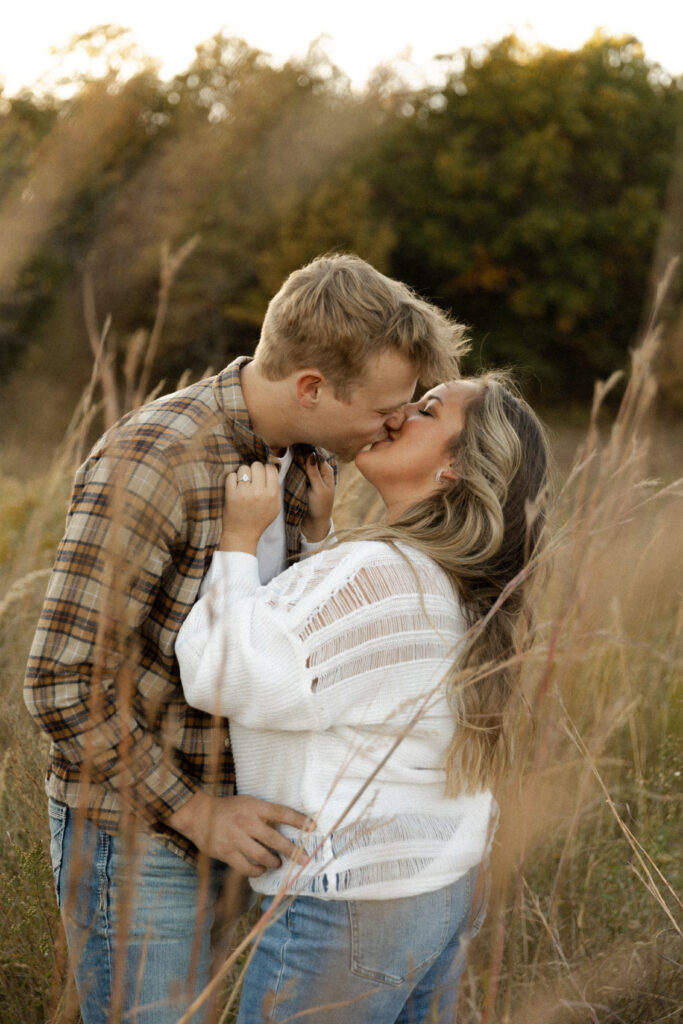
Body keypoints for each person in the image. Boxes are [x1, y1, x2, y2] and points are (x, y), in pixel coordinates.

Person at [23, 253, 469, 1024]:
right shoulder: (155, 459)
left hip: (241, 822)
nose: (396, 424)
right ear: (310, 388)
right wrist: (195, 812)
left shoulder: (304, 460)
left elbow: (278, 637)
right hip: (141, 836)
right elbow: (60, 683)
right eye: (386, 408)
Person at [176, 371, 550, 1023]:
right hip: (437, 885)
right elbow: (348, 673)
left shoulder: (381, 574)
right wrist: (318, 542)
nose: (403, 411)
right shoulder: (443, 579)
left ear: (455, 469)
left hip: (353, 904)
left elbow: (221, 671)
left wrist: (238, 542)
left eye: (428, 410)